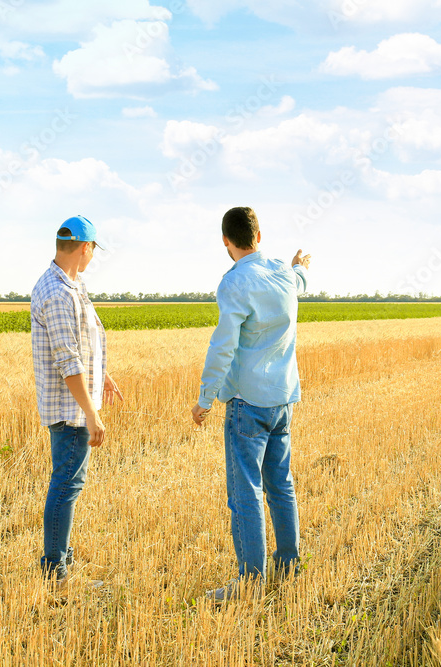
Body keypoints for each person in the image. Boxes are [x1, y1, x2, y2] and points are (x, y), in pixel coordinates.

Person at [191, 206, 312, 602]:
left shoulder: (234, 283)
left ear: (226, 241)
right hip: (283, 398)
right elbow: (299, 282)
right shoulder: (281, 272)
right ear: (259, 236)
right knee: (281, 485)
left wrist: (206, 397)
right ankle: (289, 563)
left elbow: (223, 345)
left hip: (247, 403)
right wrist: (300, 266)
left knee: (245, 492)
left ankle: (251, 582)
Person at [31, 215, 123, 592]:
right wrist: (91, 412)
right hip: (70, 411)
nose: (91, 258)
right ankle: (56, 573)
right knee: (66, 486)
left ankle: (60, 563)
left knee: (68, 483)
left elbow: (84, 344)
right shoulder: (56, 292)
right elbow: (67, 360)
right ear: (85, 247)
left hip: (76, 405)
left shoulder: (72, 285)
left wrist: (103, 377)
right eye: (92, 251)